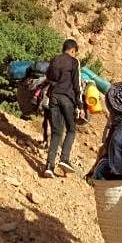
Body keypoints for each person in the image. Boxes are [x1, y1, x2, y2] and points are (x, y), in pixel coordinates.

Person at [43, 38, 84, 177]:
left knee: (56, 132)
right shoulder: (74, 62)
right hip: (67, 98)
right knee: (71, 129)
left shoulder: (55, 59)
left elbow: (48, 77)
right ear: (73, 50)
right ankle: (64, 159)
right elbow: (77, 84)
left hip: (53, 97)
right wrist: (80, 105)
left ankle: (49, 166)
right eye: (75, 52)